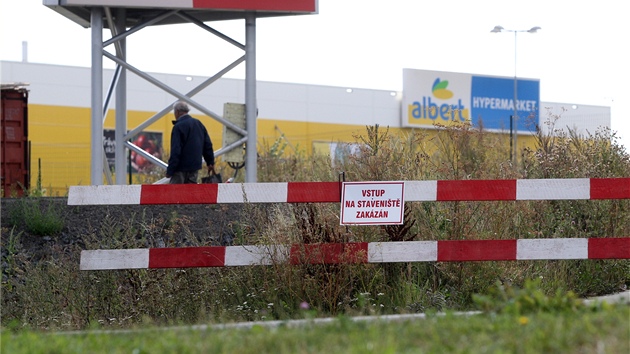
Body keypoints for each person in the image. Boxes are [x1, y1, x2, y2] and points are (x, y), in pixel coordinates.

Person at [166, 101, 215, 184]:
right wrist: (210, 162)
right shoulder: (198, 124)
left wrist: (170, 170)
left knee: (175, 194)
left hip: (180, 169)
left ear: (177, 112)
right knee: (190, 194)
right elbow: (207, 145)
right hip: (194, 168)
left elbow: (176, 151)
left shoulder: (178, 127)